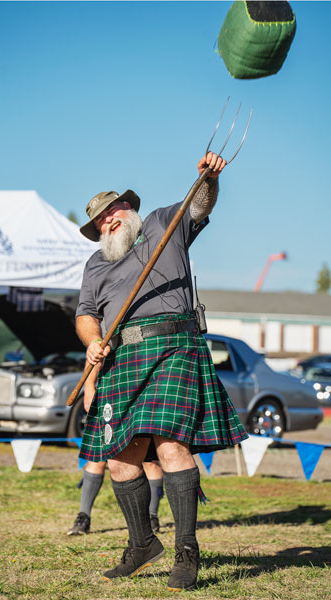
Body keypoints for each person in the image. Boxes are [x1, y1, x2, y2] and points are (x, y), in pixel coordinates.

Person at [75, 152, 248, 591]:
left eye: (113, 212)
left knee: (171, 444)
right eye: (100, 221)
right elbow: (86, 315)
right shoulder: (96, 265)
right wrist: (93, 342)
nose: (108, 222)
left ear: (128, 208)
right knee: (119, 458)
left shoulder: (161, 225)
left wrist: (208, 177)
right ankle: (141, 544)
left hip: (174, 345)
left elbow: (199, 205)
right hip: (120, 359)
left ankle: (186, 550)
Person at [68, 363, 164, 536]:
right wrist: (89, 387)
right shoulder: (105, 335)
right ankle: (83, 517)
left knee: (149, 462)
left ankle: (151, 517)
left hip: (143, 396)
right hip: (111, 395)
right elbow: (94, 355)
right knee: (97, 458)